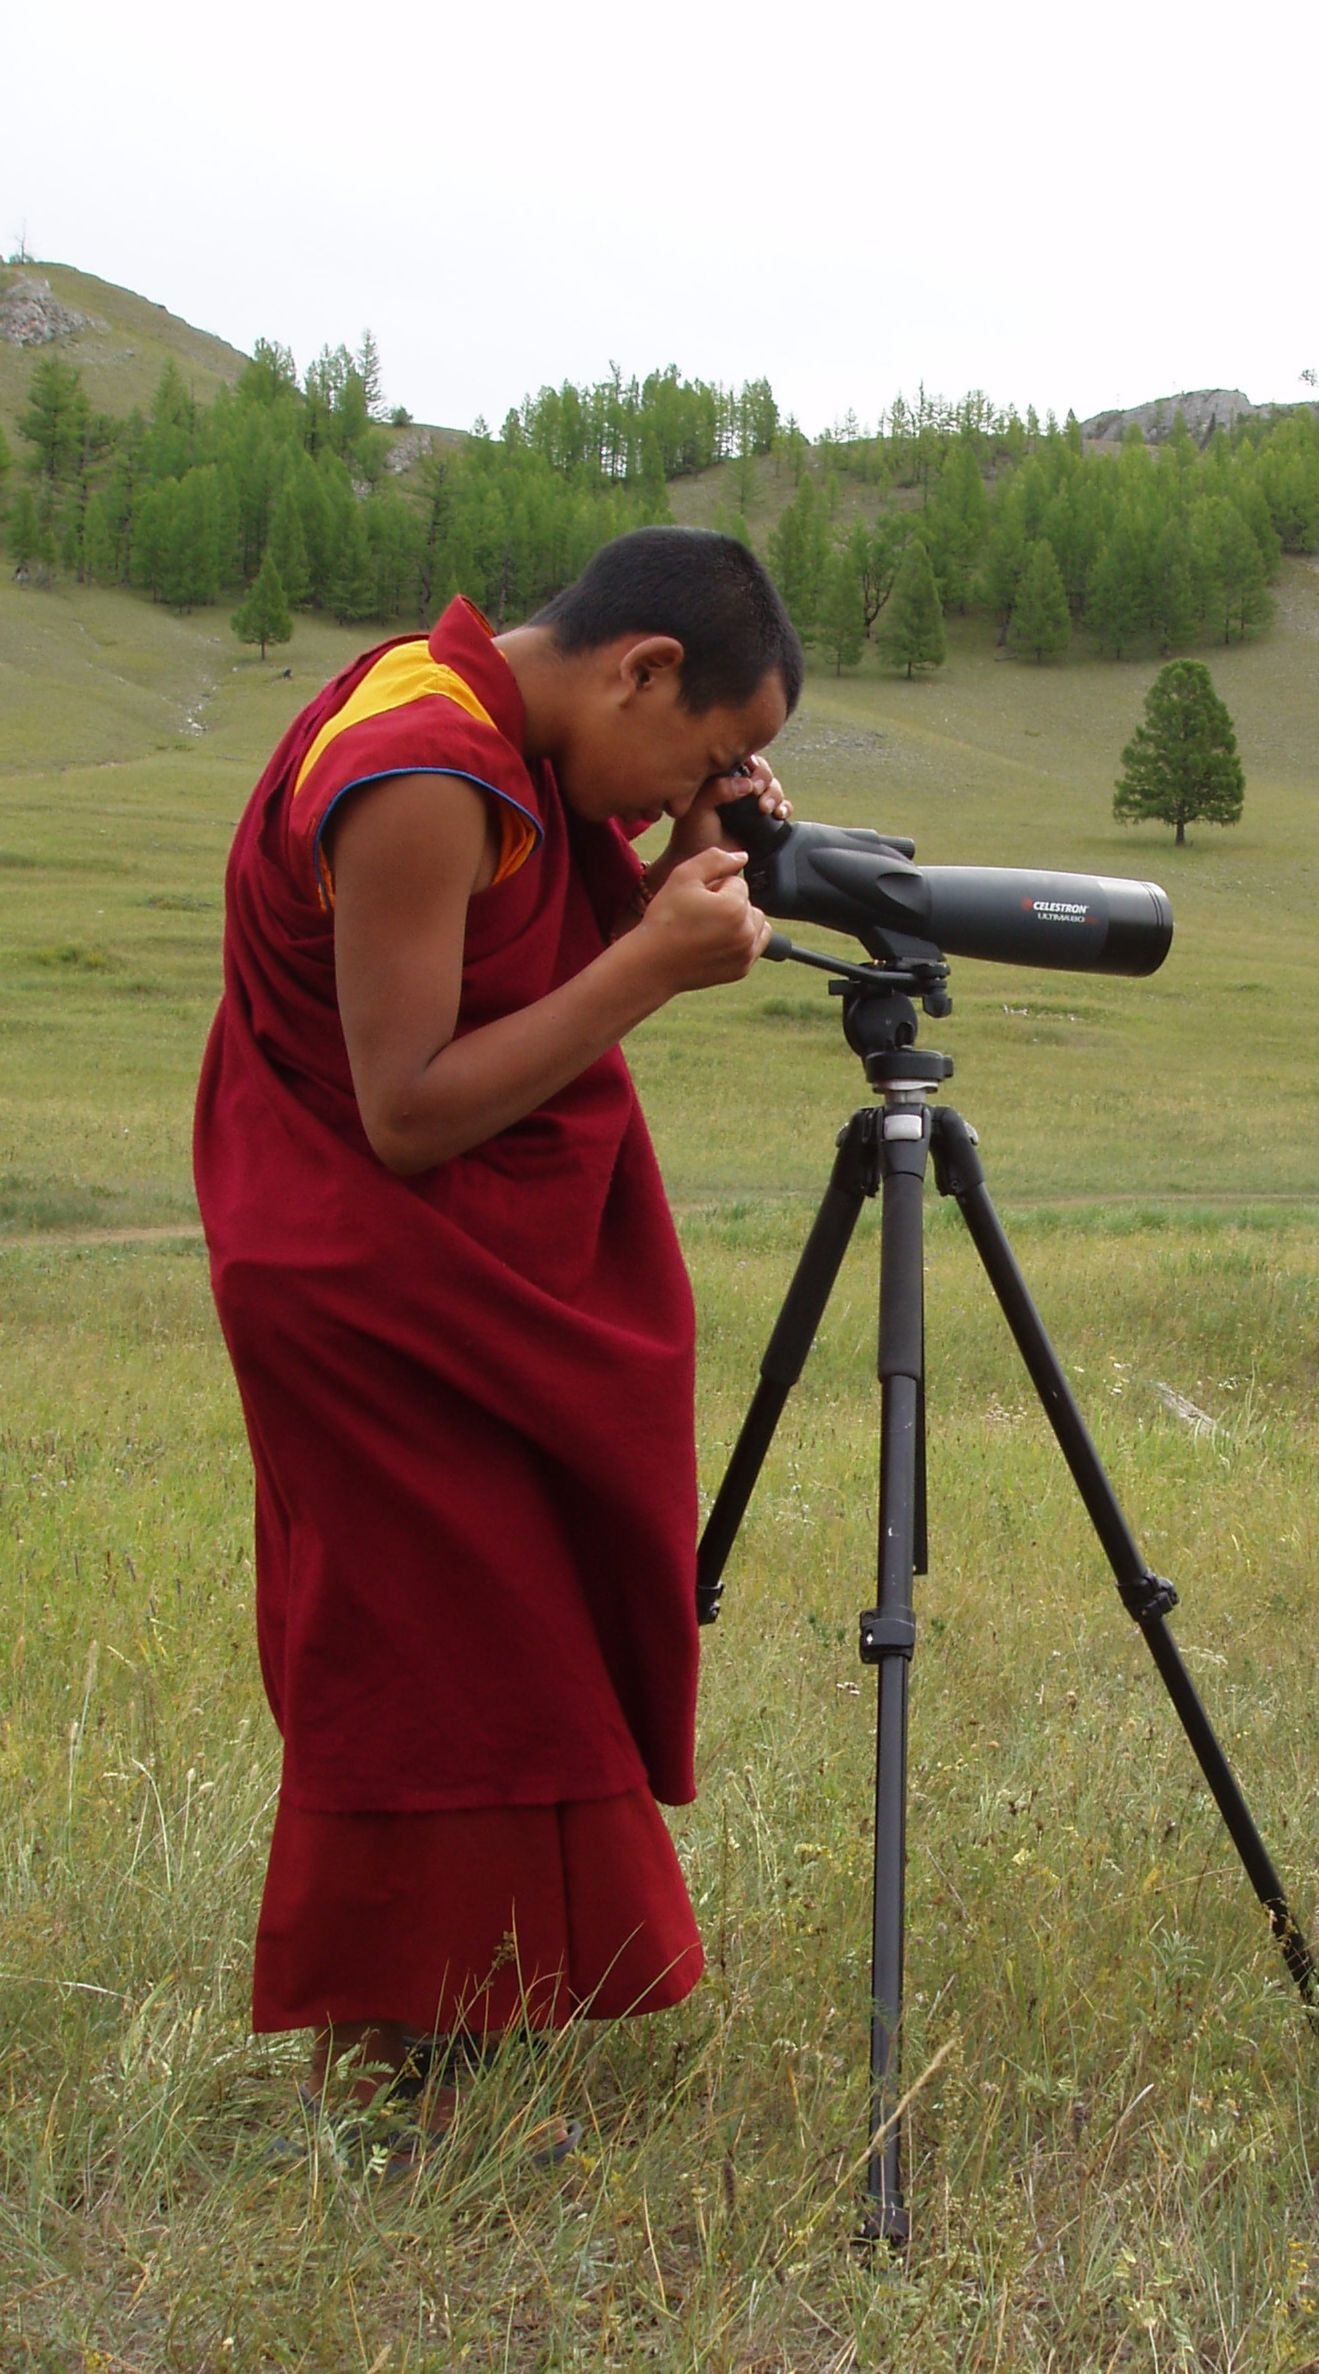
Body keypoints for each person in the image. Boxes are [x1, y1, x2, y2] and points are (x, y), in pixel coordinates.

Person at [194, 526, 803, 2168]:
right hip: (358, 1278)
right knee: (418, 1659)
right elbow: (405, 1110)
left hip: (426, 1270)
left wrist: (676, 850)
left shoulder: (502, 741)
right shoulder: (421, 768)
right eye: (710, 749)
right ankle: (371, 2082)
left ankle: (464, 2024)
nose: (701, 784)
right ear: (643, 669)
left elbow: (524, 939)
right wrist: (652, 961)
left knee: (508, 1639)